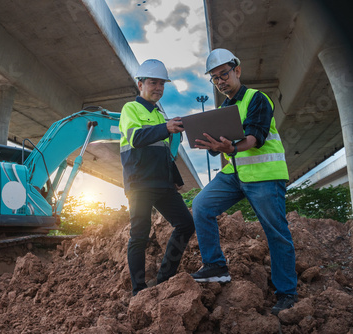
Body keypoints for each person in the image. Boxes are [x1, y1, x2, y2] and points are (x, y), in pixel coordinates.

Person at [191, 48, 298, 315]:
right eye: (215, 78)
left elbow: (255, 137)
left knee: (276, 233)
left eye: (224, 74)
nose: (220, 81)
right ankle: (216, 266)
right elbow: (220, 147)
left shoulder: (257, 99)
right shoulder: (224, 109)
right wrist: (211, 144)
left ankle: (287, 293)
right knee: (201, 205)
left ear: (237, 70)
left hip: (264, 176)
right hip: (234, 175)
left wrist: (231, 149)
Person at [119, 59, 196, 296]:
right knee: (139, 236)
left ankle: (164, 278)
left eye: (162, 84)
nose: (158, 88)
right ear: (140, 84)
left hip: (163, 184)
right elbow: (136, 138)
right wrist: (167, 128)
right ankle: (138, 290)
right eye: (153, 82)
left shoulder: (159, 115)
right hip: (140, 184)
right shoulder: (130, 109)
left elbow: (165, 154)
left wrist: (175, 178)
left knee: (186, 224)